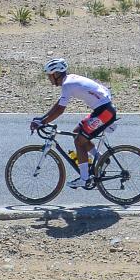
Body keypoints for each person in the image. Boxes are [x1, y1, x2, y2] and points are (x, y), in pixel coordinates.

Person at [35, 58, 116, 190]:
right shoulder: (69, 80)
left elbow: (60, 110)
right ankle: (101, 159)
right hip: (103, 109)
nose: (49, 79)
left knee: (79, 141)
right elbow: (60, 104)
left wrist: (43, 122)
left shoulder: (67, 84)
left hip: (104, 112)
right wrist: (43, 118)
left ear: (56, 74)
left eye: (49, 76)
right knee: (76, 132)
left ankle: (84, 179)